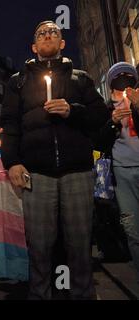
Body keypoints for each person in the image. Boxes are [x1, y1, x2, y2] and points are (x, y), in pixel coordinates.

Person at [0, 21, 109, 300]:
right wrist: (11, 162)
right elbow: (10, 125)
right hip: (37, 174)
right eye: (41, 33)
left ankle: (83, 294)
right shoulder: (18, 81)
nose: (48, 35)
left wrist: (72, 110)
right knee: (39, 246)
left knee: (80, 243)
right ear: (34, 47)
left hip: (77, 172)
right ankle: (40, 295)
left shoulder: (80, 79)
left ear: (62, 44)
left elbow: (99, 116)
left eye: (54, 32)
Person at [98, 62, 139, 282]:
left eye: (128, 78)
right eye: (119, 80)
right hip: (122, 170)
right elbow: (99, 142)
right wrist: (113, 123)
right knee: (132, 226)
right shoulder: (105, 108)